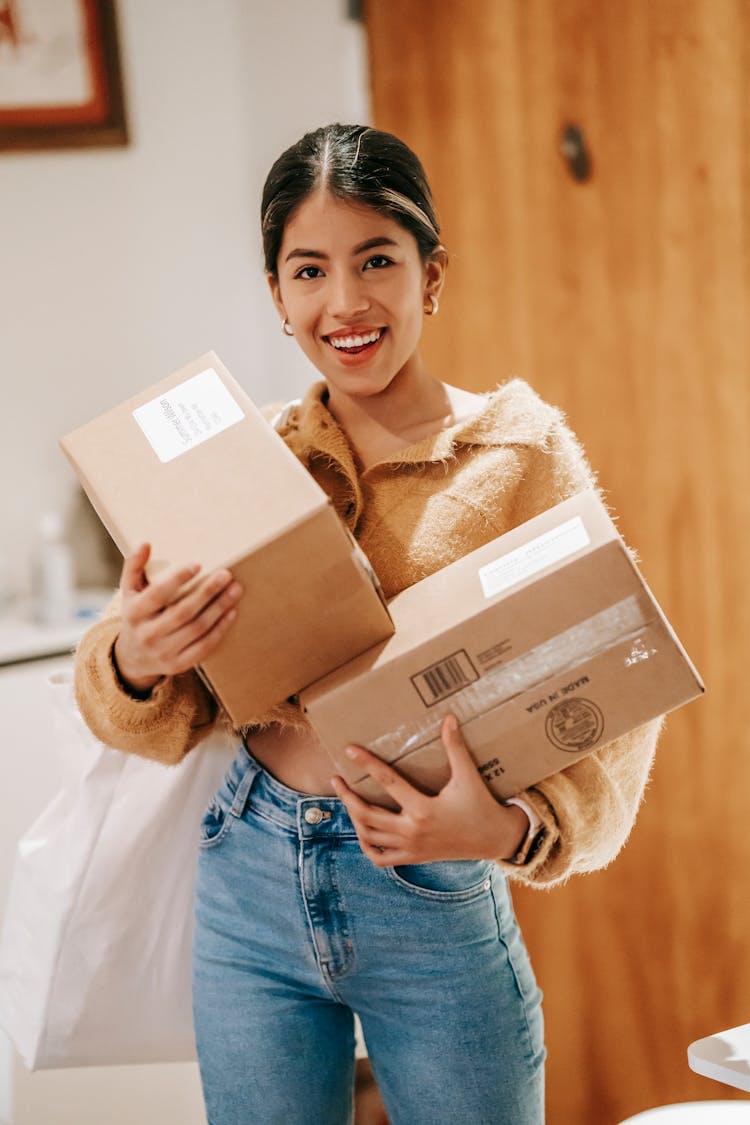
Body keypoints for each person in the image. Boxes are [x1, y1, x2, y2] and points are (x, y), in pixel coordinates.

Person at [75, 123, 662, 1125]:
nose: (344, 303)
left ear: (431, 277)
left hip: (429, 886)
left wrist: (511, 830)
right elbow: (140, 704)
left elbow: (617, 688)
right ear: (278, 296)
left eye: (376, 261)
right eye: (309, 270)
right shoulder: (242, 459)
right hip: (248, 872)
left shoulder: (520, 454)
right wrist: (135, 654)